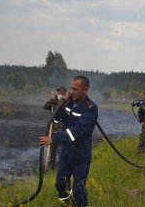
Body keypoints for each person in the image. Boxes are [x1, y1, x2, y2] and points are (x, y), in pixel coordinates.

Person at [39, 76, 98, 207]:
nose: (72, 91)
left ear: (85, 89)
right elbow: (55, 120)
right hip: (66, 153)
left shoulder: (91, 108)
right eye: (71, 88)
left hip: (81, 155)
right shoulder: (69, 103)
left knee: (78, 189)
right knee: (60, 184)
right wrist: (62, 105)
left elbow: (76, 132)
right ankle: (67, 202)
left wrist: (54, 139)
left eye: (75, 89)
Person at [43, 86, 67, 171]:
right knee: (52, 151)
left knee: (64, 150)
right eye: (58, 92)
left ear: (64, 93)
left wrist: (63, 100)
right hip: (53, 130)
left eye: (61, 93)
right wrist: (53, 99)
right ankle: (50, 168)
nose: (59, 94)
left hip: (63, 130)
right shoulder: (54, 102)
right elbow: (45, 106)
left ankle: (62, 168)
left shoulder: (67, 102)